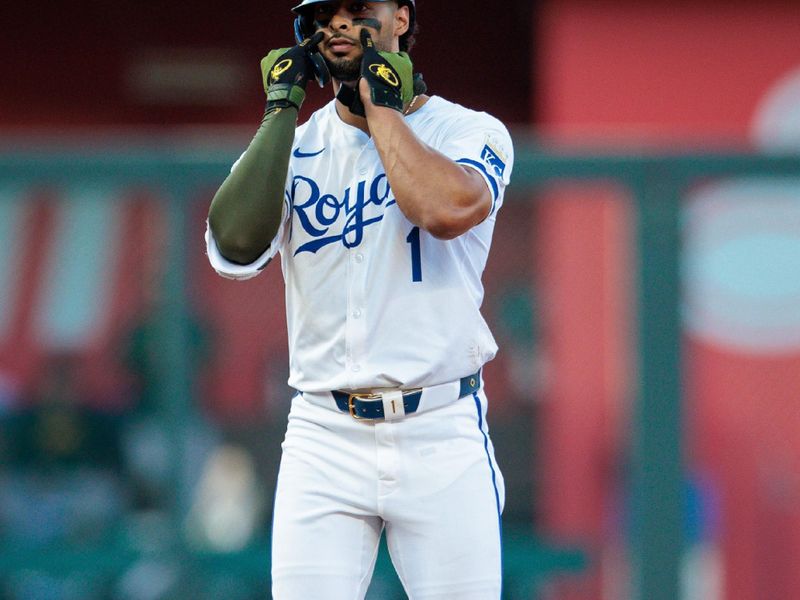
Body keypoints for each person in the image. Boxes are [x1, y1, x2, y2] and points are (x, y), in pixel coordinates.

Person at [205, 1, 514, 598]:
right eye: (325, 13)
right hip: (325, 432)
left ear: (401, 17)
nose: (339, 24)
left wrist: (383, 110)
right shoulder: (295, 145)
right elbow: (236, 247)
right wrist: (279, 111)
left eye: (358, 9)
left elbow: (444, 210)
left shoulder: (469, 130)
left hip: (441, 427)